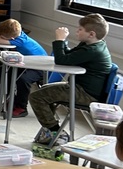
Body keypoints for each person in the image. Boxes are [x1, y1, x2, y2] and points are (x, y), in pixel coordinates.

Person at [31, 13, 113, 147]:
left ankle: (55, 131)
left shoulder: (93, 50)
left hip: (85, 94)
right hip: (79, 87)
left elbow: (62, 60)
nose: (77, 31)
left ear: (91, 34)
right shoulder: (91, 45)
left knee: (36, 97)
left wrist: (59, 40)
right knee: (45, 90)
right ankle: (51, 130)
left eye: (80, 29)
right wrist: (63, 43)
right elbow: (69, 55)